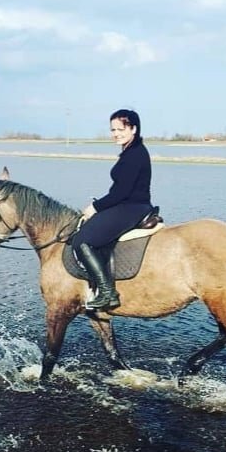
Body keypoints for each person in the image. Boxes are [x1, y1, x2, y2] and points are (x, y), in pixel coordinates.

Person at [72, 108, 153, 310]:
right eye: (113, 130)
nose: (116, 134)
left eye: (121, 129)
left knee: (81, 241)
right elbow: (119, 191)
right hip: (129, 204)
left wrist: (95, 207)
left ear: (133, 129)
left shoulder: (134, 154)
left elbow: (121, 192)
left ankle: (108, 293)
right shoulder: (131, 151)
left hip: (132, 207)